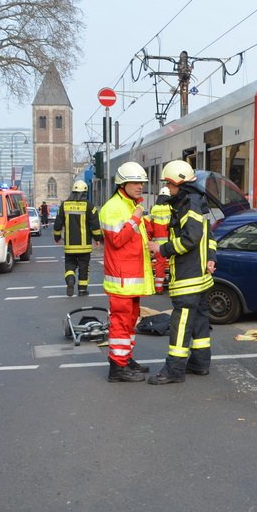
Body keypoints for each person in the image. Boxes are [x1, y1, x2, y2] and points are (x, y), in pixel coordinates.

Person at [147, 160, 216, 385]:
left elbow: (191, 239)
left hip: (189, 277)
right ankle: (200, 363)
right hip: (202, 277)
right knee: (199, 319)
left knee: (182, 322)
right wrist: (212, 259)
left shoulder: (189, 204)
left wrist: (162, 249)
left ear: (179, 183)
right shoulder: (198, 202)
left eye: (169, 183)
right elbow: (209, 238)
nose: (168, 188)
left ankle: (174, 369)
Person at [99, 162, 154, 383]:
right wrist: (137, 217)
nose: (140, 186)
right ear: (123, 184)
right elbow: (117, 240)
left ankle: (126, 359)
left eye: (142, 182)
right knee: (121, 323)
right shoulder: (113, 208)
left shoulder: (130, 205)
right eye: (135, 182)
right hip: (121, 279)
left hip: (130, 279)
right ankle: (117, 368)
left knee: (129, 322)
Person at [53, 179, 102, 297]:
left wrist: (57, 237)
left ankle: (70, 279)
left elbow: (57, 223)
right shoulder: (89, 206)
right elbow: (95, 225)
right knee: (84, 268)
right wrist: (97, 238)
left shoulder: (64, 205)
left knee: (70, 266)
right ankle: (82, 290)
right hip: (84, 246)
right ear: (85, 193)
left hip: (70, 246)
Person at [146, 186, 173, 295]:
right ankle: (172, 286)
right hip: (171, 243)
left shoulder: (153, 210)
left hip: (158, 245)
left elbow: (149, 228)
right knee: (173, 264)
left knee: (159, 265)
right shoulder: (172, 209)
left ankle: (158, 288)